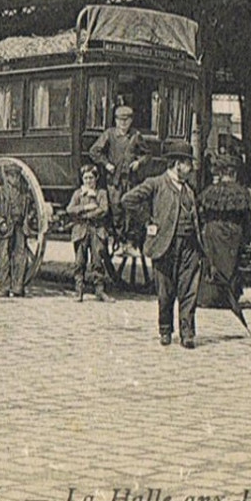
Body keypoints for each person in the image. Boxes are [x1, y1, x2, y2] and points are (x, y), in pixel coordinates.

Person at [120, 140, 203, 348]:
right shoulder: (155, 183)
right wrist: (148, 221)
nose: (191, 168)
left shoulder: (189, 189)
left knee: (189, 290)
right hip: (164, 245)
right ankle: (165, 329)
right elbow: (128, 200)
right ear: (177, 164)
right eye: (187, 164)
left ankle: (187, 333)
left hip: (189, 246)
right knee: (165, 292)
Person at [198, 152, 251, 310]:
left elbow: (202, 213)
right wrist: (250, 237)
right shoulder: (241, 192)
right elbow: (246, 218)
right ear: (233, 172)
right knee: (231, 265)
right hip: (233, 233)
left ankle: (210, 296)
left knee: (212, 264)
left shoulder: (210, 191)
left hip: (212, 232)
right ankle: (229, 297)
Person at [90, 105, 147, 246]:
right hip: (114, 180)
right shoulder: (109, 134)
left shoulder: (136, 136)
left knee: (129, 208)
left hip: (130, 180)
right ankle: (118, 238)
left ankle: (128, 241)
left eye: (126, 120)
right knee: (116, 208)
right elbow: (94, 151)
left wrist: (139, 162)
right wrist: (106, 163)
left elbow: (147, 154)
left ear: (131, 121)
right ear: (116, 121)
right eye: (120, 120)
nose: (123, 123)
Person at [65, 163, 111, 302]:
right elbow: (70, 209)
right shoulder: (78, 194)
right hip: (81, 231)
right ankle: (79, 291)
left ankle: (100, 291)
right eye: (85, 178)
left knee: (97, 261)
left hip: (97, 230)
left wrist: (85, 215)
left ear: (96, 179)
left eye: (91, 178)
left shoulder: (101, 193)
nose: (88, 181)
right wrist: (86, 207)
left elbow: (103, 210)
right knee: (79, 262)